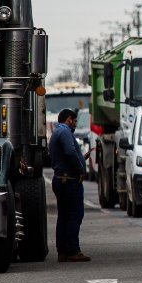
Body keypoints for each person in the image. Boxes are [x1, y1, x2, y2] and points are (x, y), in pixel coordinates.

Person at [50, 108, 92, 263]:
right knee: (75, 215)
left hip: (61, 179)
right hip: (69, 181)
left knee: (64, 216)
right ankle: (73, 250)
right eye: (74, 121)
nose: (75, 124)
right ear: (69, 119)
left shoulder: (57, 132)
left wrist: (82, 158)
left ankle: (63, 251)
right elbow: (69, 152)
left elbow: (67, 155)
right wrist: (81, 169)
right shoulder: (65, 132)